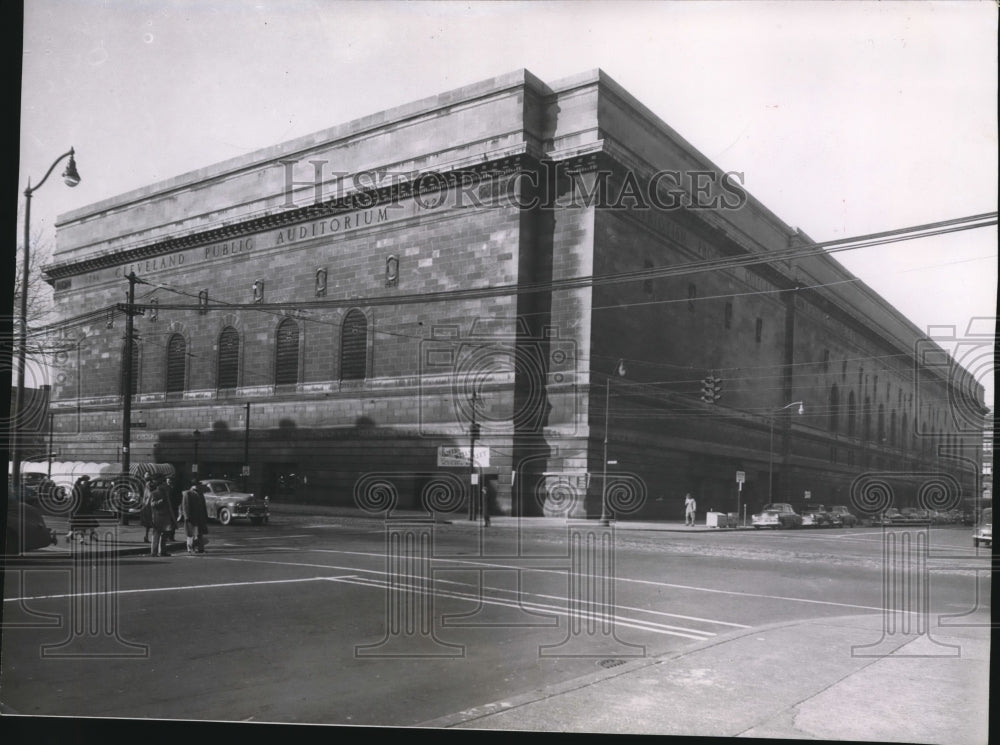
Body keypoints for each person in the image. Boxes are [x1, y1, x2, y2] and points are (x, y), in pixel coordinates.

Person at [178, 481, 210, 554]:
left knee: (200, 533)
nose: (198, 486)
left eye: (198, 485)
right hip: (191, 517)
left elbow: (203, 505)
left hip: (200, 517)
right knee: (190, 534)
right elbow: (185, 506)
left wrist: (205, 515)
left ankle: (201, 549)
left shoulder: (200, 493)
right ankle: (190, 549)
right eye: (196, 485)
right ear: (192, 486)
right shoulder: (187, 493)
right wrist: (187, 516)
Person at [148, 475, 176, 557]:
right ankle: (154, 552)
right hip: (158, 516)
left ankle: (162, 551)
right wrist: (160, 501)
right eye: (163, 484)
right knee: (156, 534)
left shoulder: (166, 493)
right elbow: (152, 504)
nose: (164, 486)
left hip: (166, 516)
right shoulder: (154, 493)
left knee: (165, 535)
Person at [68, 475, 100, 543]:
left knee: (74, 523)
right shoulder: (86, 491)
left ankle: (72, 534)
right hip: (85, 510)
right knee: (86, 524)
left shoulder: (77, 488)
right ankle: (87, 536)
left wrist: (80, 479)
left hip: (75, 509)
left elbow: (76, 485)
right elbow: (91, 499)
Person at [140, 474, 155, 543]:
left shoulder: (146, 488)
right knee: (151, 523)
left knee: (148, 524)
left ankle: (146, 536)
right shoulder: (149, 489)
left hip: (147, 506)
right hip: (149, 507)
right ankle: (149, 537)